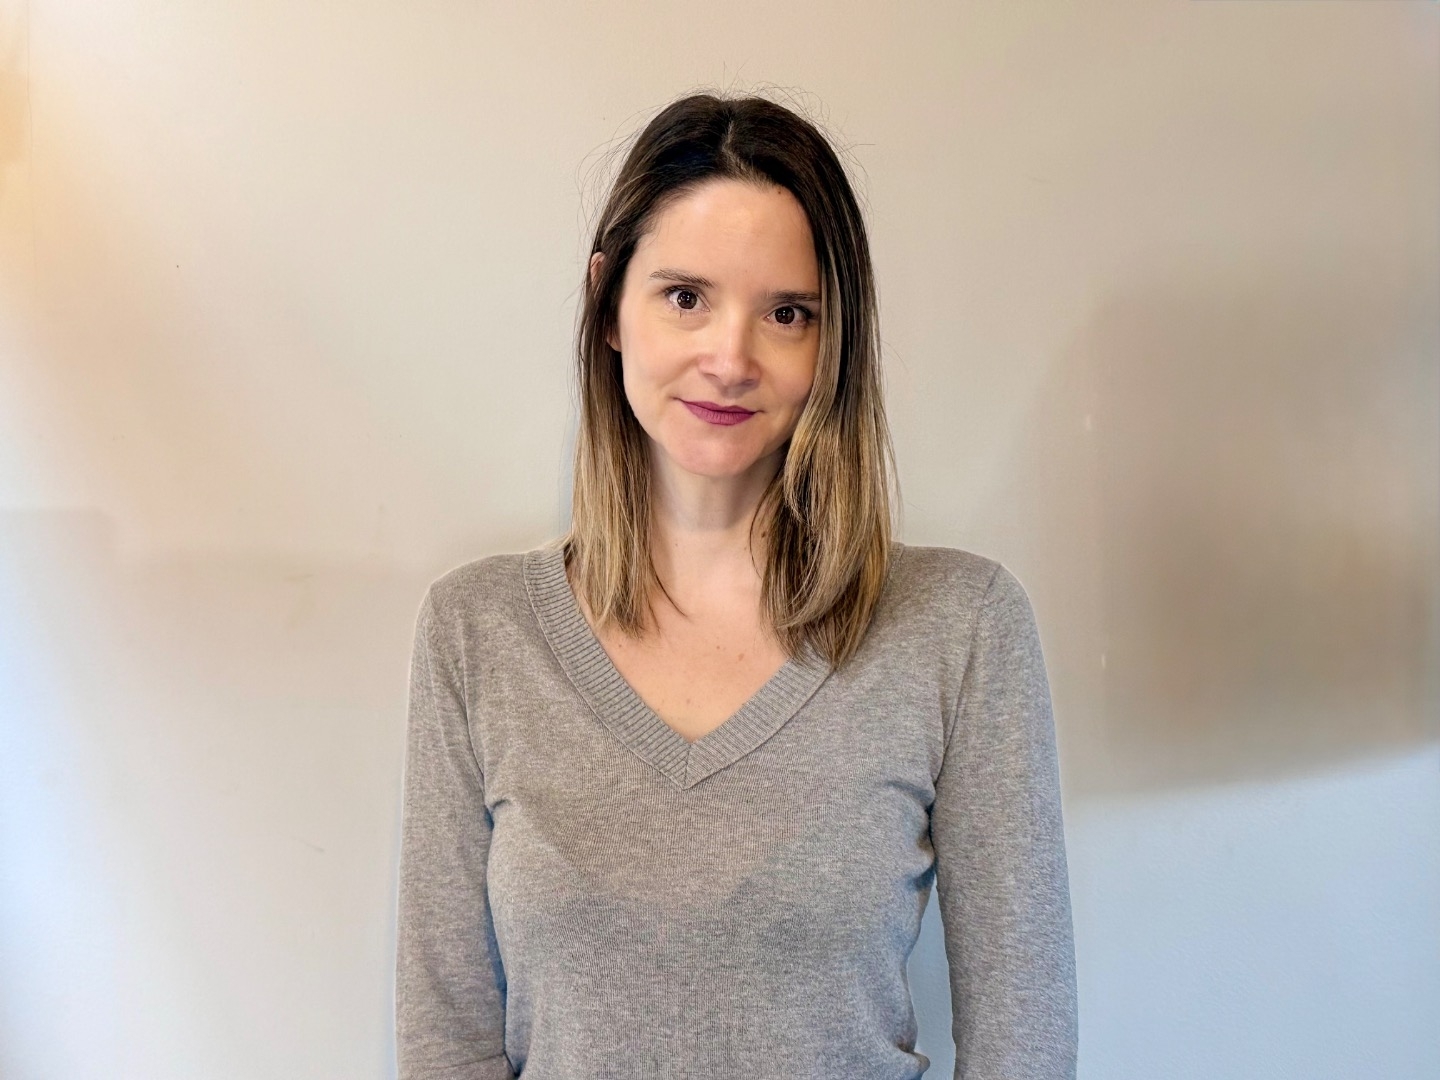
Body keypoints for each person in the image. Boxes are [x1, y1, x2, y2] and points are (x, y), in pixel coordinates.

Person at [395, 92, 1078, 1079]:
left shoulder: (959, 629)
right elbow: (448, 1041)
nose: (730, 359)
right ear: (608, 305)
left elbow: (1026, 1045)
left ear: (832, 343)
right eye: (685, 297)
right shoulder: (477, 631)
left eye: (787, 314)